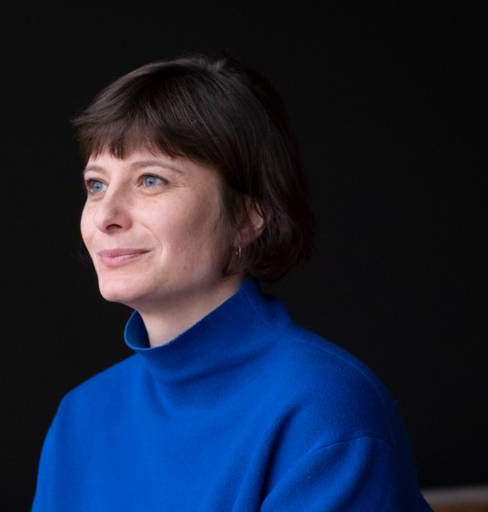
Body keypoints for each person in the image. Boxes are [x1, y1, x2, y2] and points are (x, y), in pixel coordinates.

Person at [31, 51, 433, 511]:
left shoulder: (323, 411)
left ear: (247, 217)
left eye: (150, 180)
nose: (106, 216)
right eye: (96, 184)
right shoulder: (81, 417)